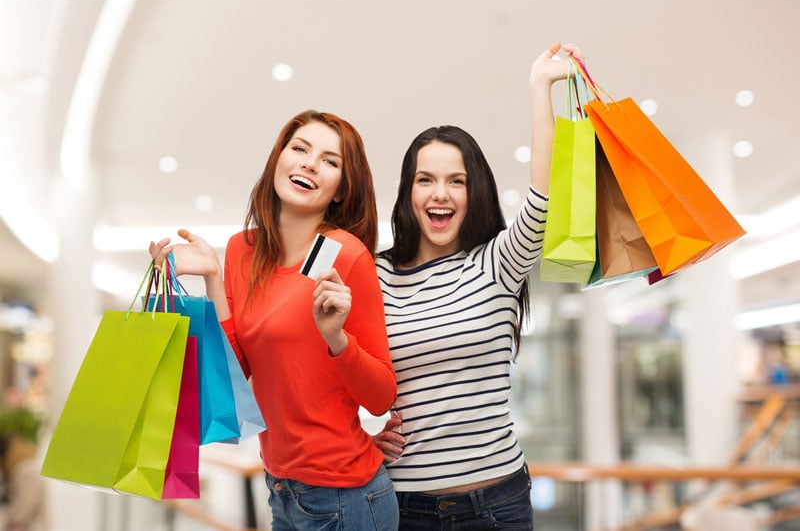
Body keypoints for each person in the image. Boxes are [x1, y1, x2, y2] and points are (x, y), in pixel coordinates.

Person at [150, 109, 399, 530]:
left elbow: (380, 397)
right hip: (281, 487)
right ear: (277, 160)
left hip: (346, 496)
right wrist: (213, 276)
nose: (309, 163)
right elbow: (238, 369)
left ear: (340, 190)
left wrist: (336, 338)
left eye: (329, 160)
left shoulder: (345, 254)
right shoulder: (242, 249)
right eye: (299, 149)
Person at [372, 42, 583, 529]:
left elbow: (544, 196)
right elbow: (341, 372)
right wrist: (364, 431)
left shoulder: (497, 264)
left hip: (498, 504)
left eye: (456, 181)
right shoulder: (376, 275)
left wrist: (539, 87)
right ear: (408, 193)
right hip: (404, 506)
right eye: (425, 179)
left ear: (475, 192)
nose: (440, 193)